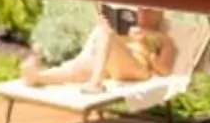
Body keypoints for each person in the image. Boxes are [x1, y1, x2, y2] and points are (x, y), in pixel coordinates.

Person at [20, 5, 179, 89]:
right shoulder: (131, 28)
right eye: (141, 9)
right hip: (115, 66)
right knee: (78, 71)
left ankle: (95, 83)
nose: (143, 12)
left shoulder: (164, 39)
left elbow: (165, 70)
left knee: (104, 31)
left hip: (138, 69)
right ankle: (37, 77)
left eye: (149, 10)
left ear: (160, 14)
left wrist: (153, 58)